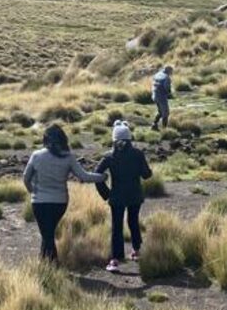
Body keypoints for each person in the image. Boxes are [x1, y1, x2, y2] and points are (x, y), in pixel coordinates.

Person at [22, 124, 104, 264]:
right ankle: (45, 264)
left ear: (46, 139)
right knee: (48, 233)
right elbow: (84, 176)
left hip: (39, 202)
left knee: (47, 234)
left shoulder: (36, 155)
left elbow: (26, 178)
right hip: (60, 203)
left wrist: (32, 192)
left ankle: (52, 265)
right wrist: (102, 177)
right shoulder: (68, 158)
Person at [95, 120, 153, 274]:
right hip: (135, 195)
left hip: (117, 197)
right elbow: (147, 175)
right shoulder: (137, 154)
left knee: (117, 226)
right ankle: (137, 250)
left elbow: (97, 175)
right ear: (130, 138)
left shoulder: (109, 156)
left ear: (114, 139)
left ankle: (115, 259)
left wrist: (106, 193)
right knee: (133, 221)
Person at [151, 64, 173, 130]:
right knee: (166, 113)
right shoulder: (166, 77)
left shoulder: (157, 74)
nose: (172, 73)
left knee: (160, 111)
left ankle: (154, 124)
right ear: (169, 71)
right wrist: (169, 94)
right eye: (171, 71)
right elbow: (167, 88)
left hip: (154, 95)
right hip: (162, 97)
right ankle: (164, 129)